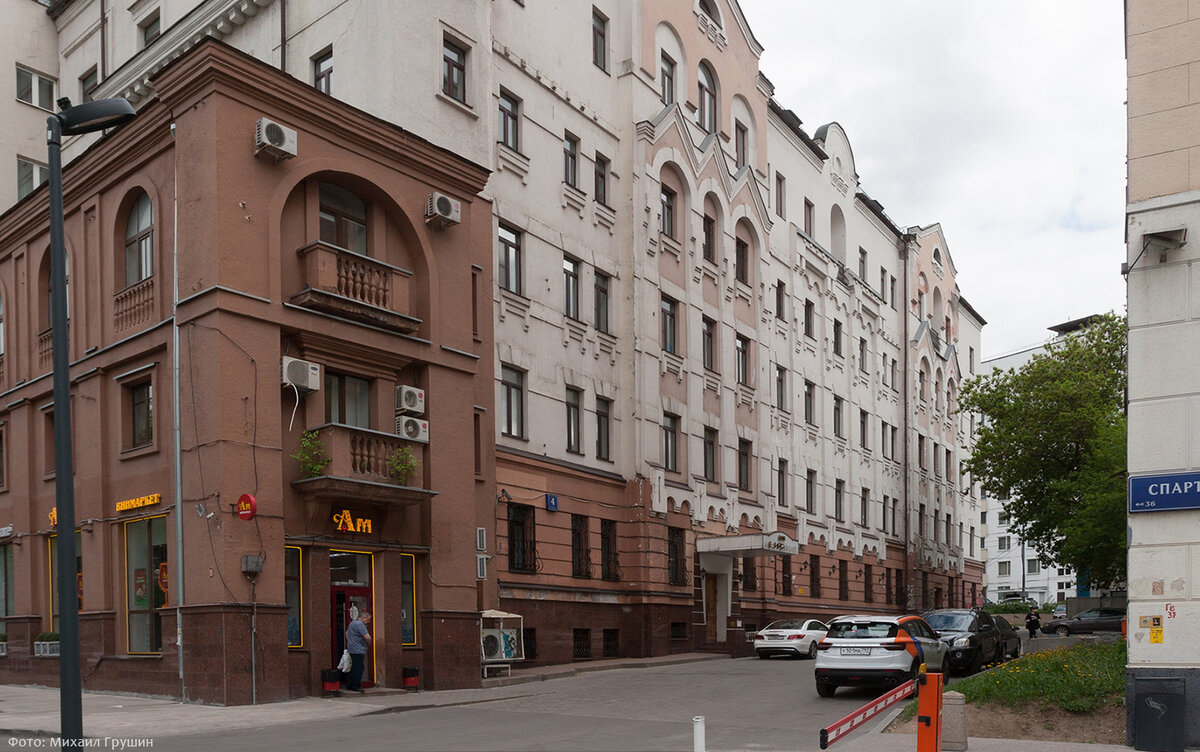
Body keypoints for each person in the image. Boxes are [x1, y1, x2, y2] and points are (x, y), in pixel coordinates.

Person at [345, 611, 371, 692]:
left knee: (353, 667)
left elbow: (346, 633)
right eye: (368, 620)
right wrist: (368, 644)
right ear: (364, 618)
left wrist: (350, 641)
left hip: (351, 648)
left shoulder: (352, 623)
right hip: (358, 649)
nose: (368, 622)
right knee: (359, 668)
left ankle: (350, 684)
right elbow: (367, 637)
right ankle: (356, 686)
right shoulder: (360, 625)